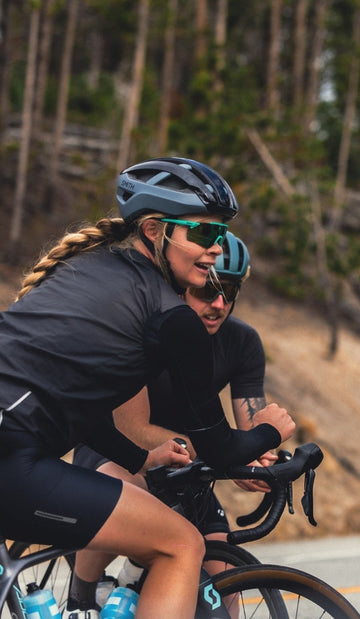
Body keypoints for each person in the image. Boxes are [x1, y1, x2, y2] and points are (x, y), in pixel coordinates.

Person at [0, 157, 296, 618]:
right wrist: (270, 433)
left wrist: (140, 458)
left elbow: (78, 405)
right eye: (203, 233)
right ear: (155, 230)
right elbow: (219, 448)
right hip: (11, 457)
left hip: (15, 446)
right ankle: (84, 596)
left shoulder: (88, 272)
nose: (216, 248)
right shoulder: (170, 318)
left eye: (220, 235)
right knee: (180, 544)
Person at [65, 232, 275, 614]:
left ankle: (133, 580)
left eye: (229, 292)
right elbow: (135, 429)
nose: (218, 304)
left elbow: (246, 433)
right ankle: (80, 595)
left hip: (188, 457)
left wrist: (262, 456)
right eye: (206, 292)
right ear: (183, 287)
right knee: (127, 493)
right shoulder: (151, 331)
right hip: (118, 448)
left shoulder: (242, 341)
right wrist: (223, 449)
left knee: (225, 585)